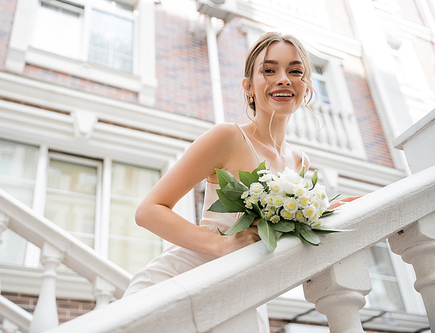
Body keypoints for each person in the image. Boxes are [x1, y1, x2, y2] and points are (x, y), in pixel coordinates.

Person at [123, 32, 357, 297]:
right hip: (179, 281)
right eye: (269, 70)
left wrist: (323, 211)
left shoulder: (299, 161)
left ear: (307, 87)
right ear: (248, 86)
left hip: (242, 288)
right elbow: (148, 211)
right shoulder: (228, 137)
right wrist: (222, 245)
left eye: (295, 71)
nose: (283, 78)